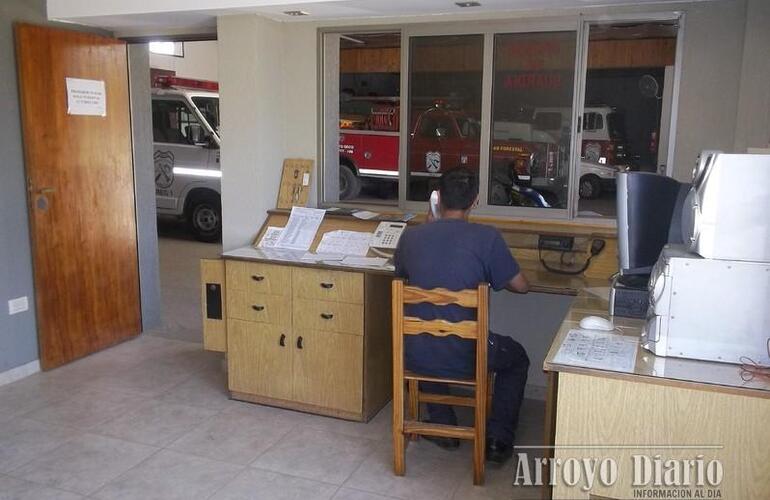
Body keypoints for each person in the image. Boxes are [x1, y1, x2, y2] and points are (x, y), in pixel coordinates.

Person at [393, 167, 530, 465]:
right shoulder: (487, 237)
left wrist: (429, 226)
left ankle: (445, 427)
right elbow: (521, 287)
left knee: (427, 337)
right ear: (476, 200)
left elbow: (401, 275)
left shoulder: (411, 237)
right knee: (517, 359)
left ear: (437, 198)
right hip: (469, 355)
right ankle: (497, 439)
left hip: (412, 354)